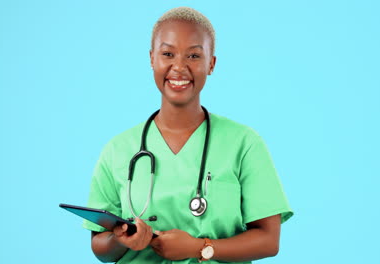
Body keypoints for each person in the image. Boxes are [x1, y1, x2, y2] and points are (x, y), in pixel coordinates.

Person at [83, 7, 293, 263]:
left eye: (194, 55)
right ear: (152, 59)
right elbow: (99, 246)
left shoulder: (244, 144)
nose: (179, 67)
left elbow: (269, 241)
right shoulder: (117, 150)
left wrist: (200, 248)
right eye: (167, 54)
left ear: (211, 64)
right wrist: (121, 239)